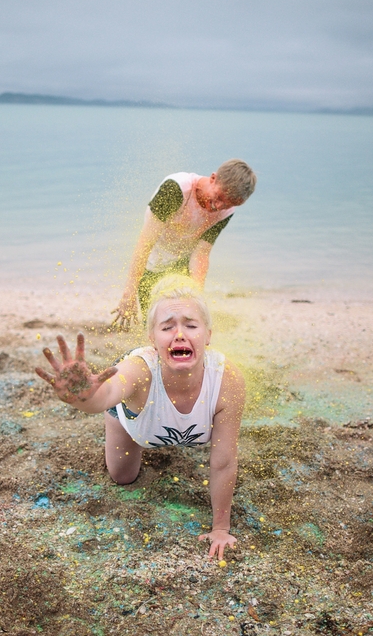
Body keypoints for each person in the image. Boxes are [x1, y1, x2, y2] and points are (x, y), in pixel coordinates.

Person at [37, 275, 245, 560]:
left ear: (208, 334)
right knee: (123, 477)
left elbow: (223, 461)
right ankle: (121, 420)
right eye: (167, 326)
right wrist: (81, 396)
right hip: (134, 423)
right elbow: (103, 396)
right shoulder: (140, 369)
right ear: (152, 338)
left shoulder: (227, 379)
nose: (180, 334)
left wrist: (221, 527)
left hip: (172, 420)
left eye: (191, 325)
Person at [111, 159, 257, 330]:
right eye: (219, 198)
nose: (219, 207)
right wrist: (129, 295)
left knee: (189, 325)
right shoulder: (175, 189)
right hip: (151, 264)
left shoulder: (227, 210)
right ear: (213, 178)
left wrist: (197, 297)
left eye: (229, 204)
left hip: (183, 265)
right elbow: (146, 243)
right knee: (159, 329)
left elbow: (201, 253)